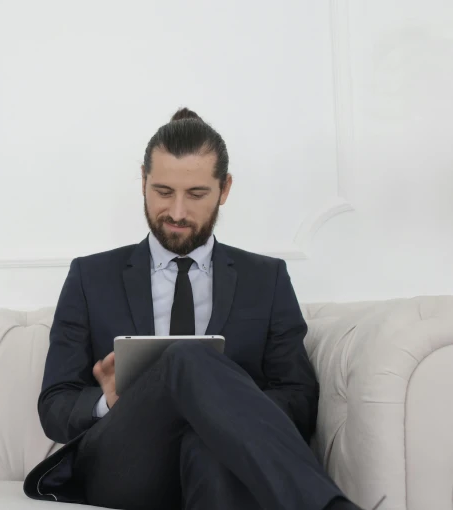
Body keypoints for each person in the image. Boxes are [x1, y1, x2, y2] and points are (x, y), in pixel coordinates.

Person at [23, 107, 370, 510]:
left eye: (197, 194)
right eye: (163, 192)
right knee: (187, 357)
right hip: (123, 466)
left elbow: (299, 398)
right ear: (143, 182)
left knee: (207, 449)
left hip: (219, 459)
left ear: (225, 189)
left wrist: (218, 408)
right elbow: (54, 405)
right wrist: (107, 402)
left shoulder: (266, 279)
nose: (177, 213)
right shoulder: (90, 276)